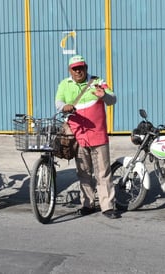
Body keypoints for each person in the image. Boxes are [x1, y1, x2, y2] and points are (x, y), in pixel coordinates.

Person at [55, 55, 120, 219]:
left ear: (86, 67)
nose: (78, 71)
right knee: (83, 172)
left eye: (81, 68)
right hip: (78, 136)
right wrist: (64, 107)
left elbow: (113, 99)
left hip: (98, 134)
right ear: (70, 70)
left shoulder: (98, 81)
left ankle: (107, 206)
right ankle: (87, 204)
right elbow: (58, 103)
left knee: (103, 172)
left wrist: (103, 95)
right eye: (75, 68)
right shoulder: (64, 84)